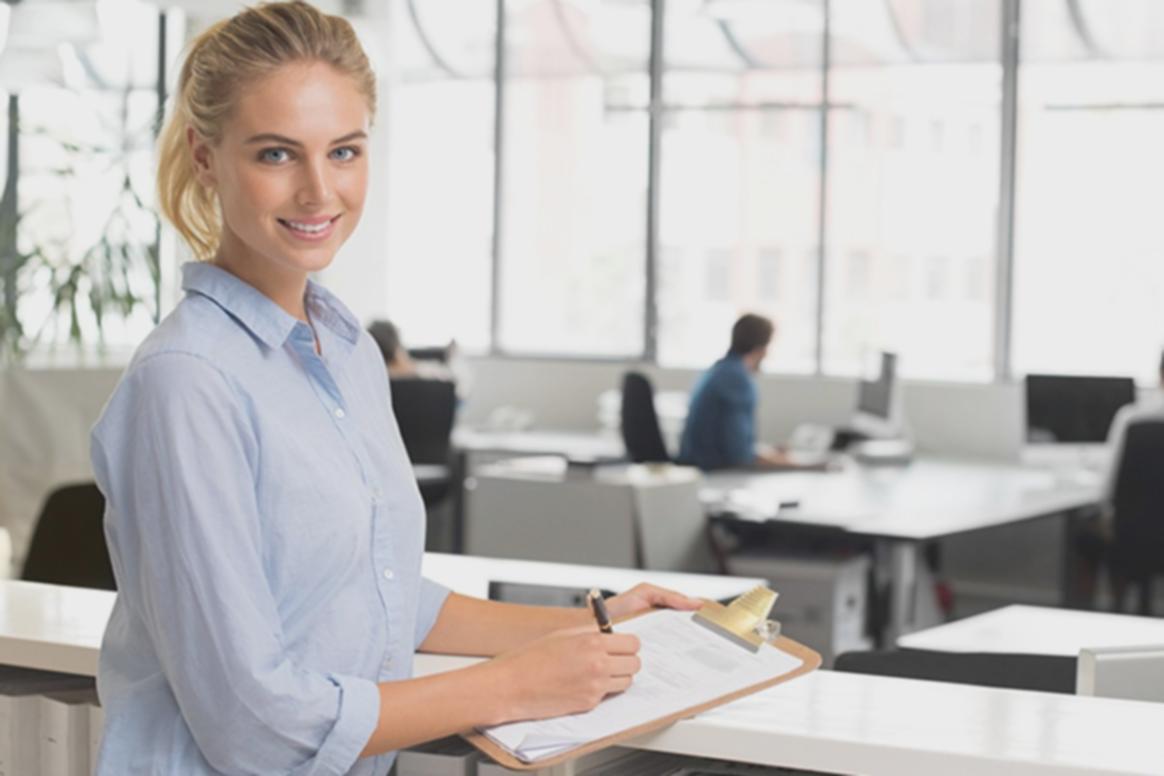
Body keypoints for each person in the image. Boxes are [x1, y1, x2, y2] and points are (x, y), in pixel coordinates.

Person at [89, 4, 698, 774]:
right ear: (205, 159)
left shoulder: (344, 353)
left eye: (343, 151)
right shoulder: (186, 383)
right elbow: (253, 722)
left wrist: (592, 622)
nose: (319, 191)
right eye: (277, 154)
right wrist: (509, 687)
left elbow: (378, 594)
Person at [1076, 349, 1164, 606]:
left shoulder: (1131, 417)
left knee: (1085, 533)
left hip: (1129, 535)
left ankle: (1098, 613)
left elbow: (1106, 491)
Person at [678, 313, 791, 471]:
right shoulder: (737, 380)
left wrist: (767, 454)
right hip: (715, 474)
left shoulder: (717, 371)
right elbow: (739, 456)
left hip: (699, 466)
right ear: (762, 349)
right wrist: (790, 463)